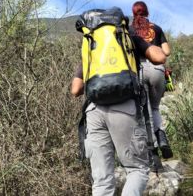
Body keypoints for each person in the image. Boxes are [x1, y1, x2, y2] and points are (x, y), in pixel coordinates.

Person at [71, 23, 166, 195]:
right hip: (124, 108)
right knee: (137, 169)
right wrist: (139, 44)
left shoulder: (92, 48)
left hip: (94, 110)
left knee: (101, 181)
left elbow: (75, 90)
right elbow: (160, 57)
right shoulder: (129, 38)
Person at [131, 1, 173, 159]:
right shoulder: (156, 27)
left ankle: (151, 147)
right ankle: (161, 137)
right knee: (154, 108)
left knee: (141, 112)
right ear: (146, 12)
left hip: (138, 71)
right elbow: (166, 52)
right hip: (157, 69)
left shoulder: (129, 29)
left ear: (134, 13)